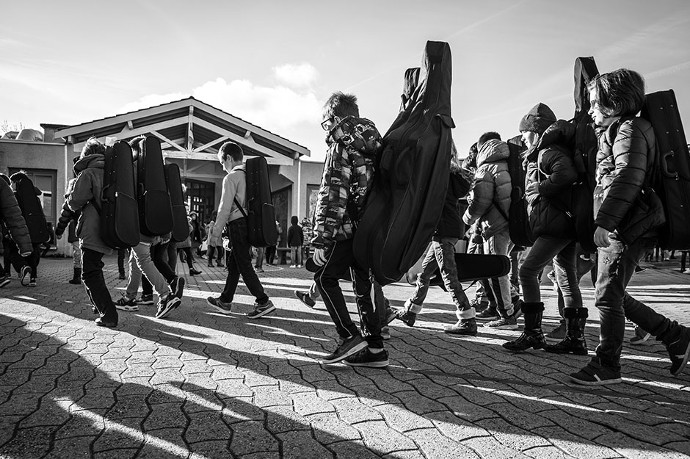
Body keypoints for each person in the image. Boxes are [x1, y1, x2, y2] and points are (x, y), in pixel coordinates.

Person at [569, 68, 690, 385]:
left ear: (614, 102)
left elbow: (628, 177)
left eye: (595, 103)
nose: (592, 109)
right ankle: (675, 336)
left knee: (607, 295)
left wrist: (605, 221)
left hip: (627, 225)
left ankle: (607, 365)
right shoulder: (624, 129)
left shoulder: (629, 129)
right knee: (610, 293)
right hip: (628, 222)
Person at [502, 104, 586, 353]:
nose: (523, 137)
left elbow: (566, 173)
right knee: (567, 279)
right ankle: (575, 339)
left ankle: (533, 333)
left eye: (526, 133)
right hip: (564, 224)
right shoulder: (548, 149)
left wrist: (542, 188)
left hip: (555, 226)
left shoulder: (546, 151)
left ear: (535, 131)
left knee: (527, 271)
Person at [311, 92, 388, 367]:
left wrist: (321, 237)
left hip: (346, 228)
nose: (326, 129)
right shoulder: (377, 144)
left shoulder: (340, 145)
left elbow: (334, 195)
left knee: (324, 278)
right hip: (369, 227)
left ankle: (349, 336)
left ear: (336, 118)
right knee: (363, 285)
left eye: (325, 123)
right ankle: (376, 349)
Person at [395, 143, 475, 334]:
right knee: (424, 274)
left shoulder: (439, 177)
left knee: (449, 276)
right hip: (449, 229)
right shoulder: (453, 175)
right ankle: (411, 311)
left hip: (443, 230)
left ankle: (467, 318)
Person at [113, 137, 182, 319]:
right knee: (136, 260)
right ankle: (129, 298)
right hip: (155, 225)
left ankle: (165, 295)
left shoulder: (133, 168)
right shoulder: (157, 171)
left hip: (138, 223)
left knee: (142, 259)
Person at [206, 141, 275, 319]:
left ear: (228, 158)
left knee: (243, 265)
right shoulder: (251, 176)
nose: (223, 167)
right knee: (235, 266)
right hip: (249, 223)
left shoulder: (231, 178)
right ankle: (225, 300)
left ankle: (263, 301)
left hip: (237, 225)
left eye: (222, 163)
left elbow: (224, 208)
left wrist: (215, 234)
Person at [66, 138, 118, 327]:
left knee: (89, 273)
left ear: (86, 155)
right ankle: (99, 306)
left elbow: (74, 203)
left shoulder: (88, 173)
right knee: (94, 269)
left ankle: (109, 314)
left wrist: (72, 190)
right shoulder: (114, 173)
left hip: (92, 229)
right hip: (110, 229)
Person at [0, 173, 32, 288]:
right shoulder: (4, 187)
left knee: (9, 252)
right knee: (12, 252)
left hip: (4, 230)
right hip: (6, 229)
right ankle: (22, 267)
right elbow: (14, 216)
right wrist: (25, 246)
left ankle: (3, 274)